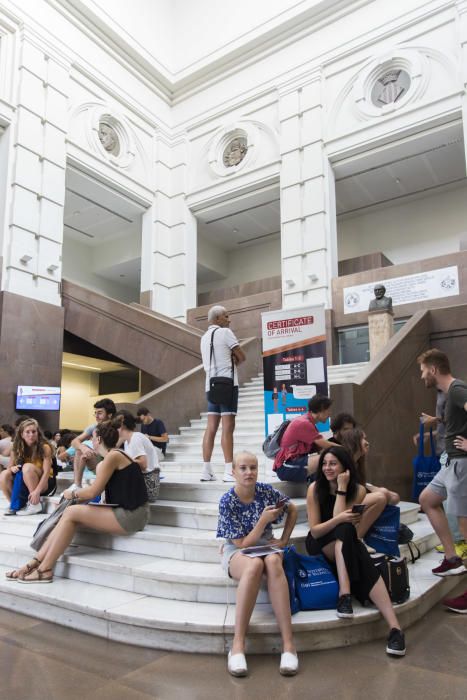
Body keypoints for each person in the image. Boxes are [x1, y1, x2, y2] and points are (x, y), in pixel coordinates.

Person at [6, 421, 149, 583]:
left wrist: (71, 493)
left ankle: (44, 569)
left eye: (93, 437)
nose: (91, 441)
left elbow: (92, 491)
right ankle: (35, 563)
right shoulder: (111, 457)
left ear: (99, 439)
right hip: (126, 510)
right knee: (69, 516)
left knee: (71, 512)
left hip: (133, 515)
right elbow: (99, 481)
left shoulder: (114, 456)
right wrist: (88, 466)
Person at [306, 446, 406, 656]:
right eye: (324, 464)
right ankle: (350, 597)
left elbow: (344, 521)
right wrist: (339, 519)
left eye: (333, 463)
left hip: (344, 540)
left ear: (345, 467)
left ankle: (394, 628)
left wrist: (342, 488)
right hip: (321, 541)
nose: (327, 468)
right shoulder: (314, 488)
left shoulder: (358, 490)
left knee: (350, 539)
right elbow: (315, 531)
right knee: (346, 531)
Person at [217, 451, 298, 676]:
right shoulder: (227, 501)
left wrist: (283, 540)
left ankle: (289, 645)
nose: (249, 472)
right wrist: (263, 520)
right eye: (243, 468)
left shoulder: (265, 491)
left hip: (267, 546)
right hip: (239, 550)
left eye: (252, 467)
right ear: (233, 472)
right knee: (254, 566)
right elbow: (242, 544)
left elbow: (292, 508)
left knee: (272, 562)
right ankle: (237, 646)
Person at [417, 350, 467, 612]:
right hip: (450, 463)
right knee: (427, 500)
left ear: (434, 370)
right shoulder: (451, 395)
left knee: (465, 527)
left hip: (461, 464)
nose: (422, 375)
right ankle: (452, 559)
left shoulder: (457, 388)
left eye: (423, 370)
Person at [200, 305, 246, 482]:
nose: (229, 319)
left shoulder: (203, 338)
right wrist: (234, 359)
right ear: (218, 318)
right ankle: (228, 471)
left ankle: (206, 469)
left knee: (211, 427)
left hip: (210, 385)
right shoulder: (226, 333)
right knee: (228, 427)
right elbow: (241, 356)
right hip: (227, 384)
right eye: (226, 316)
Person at [339, 428, 400, 539]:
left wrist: (371, 487)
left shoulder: (357, 462)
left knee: (394, 497)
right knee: (380, 497)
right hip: (339, 504)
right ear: (354, 441)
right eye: (363, 438)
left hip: (353, 497)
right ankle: (356, 538)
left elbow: (358, 485)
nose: (367, 442)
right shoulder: (343, 462)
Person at [0, 418, 56, 515]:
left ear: (38, 433)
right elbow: (9, 467)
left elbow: (47, 473)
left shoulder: (44, 447)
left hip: (45, 482)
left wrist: (37, 491)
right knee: (4, 474)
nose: (31, 435)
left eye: (34, 432)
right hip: (26, 481)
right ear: (22, 434)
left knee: (27, 467)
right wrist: (12, 468)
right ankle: (14, 505)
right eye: (27, 432)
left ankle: (35, 504)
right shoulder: (16, 448)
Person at [273, 394, 335, 483]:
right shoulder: (303, 423)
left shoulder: (309, 422)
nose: (330, 414)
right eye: (328, 410)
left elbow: (320, 448)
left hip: (293, 463)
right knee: (326, 458)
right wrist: (345, 449)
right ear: (321, 409)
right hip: (285, 467)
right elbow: (323, 443)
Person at [114, 410, 160, 502]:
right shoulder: (128, 441)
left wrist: (121, 460)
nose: (113, 429)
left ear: (122, 425)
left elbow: (143, 465)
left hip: (148, 486)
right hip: (144, 483)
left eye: (114, 426)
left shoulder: (135, 438)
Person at [70, 398, 116, 487]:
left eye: (100, 413)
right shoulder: (94, 427)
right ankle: (77, 485)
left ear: (110, 415)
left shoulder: (117, 428)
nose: (96, 416)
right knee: (80, 450)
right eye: (95, 413)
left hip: (114, 465)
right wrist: (84, 448)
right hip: (99, 465)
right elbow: (74, 442)